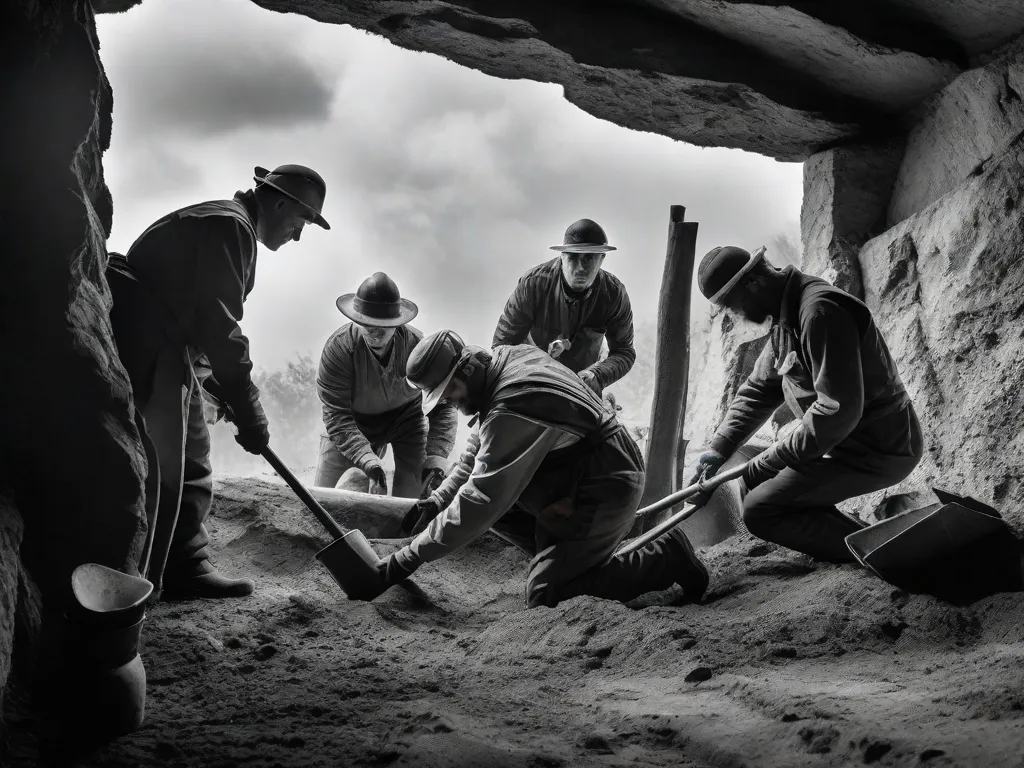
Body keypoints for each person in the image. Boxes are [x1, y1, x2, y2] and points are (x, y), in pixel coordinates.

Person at [106, 163, 330, 600]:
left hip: (169, 349)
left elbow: (199, 320)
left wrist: (218, 389)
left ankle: (186, 566)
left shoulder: (229, 224)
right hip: (149, 351)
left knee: (193, 459)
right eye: (301, 222)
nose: (299, 235)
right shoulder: (228, 227)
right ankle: (138, 581)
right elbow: (220, 328)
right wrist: (250, 409)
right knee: (165, 469)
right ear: (280, 202)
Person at [377, 330, 709, 608]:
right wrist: (438, 501)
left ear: (466, 370)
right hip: (581, 475)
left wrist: (406, 558)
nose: (451, 404)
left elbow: (481, 498)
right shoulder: (508, 358)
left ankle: (664, 556)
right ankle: (569, 559)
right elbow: (476, 457)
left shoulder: (512, 406)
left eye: (449, 393)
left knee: (546, 594)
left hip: (607, 480)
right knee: (503, 513)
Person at [689, 245, 924, 563]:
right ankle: (852, 534)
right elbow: (758, 390)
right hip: (848, 443)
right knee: (754, 481)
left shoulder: (819, 312)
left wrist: (772, 458)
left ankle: (886, 556)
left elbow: (834, 412)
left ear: (753, 283)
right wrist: (717, 451)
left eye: (732, 305)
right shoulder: (786, 318)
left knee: (760, 511)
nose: (735, 315)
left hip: (883, 447)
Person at [314, 272, 457, 498]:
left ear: (398, 323)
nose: (373, 331)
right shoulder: (338, 349)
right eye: (366, 323)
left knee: (415, 495)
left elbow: (444, 401)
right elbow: (335, 414)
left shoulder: (418, 346)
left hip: (407, 420)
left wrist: (437, 454)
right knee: (322, 497)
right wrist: (366, 458)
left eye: (382, 324)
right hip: (351, 420)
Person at [492, 218, 635, 396]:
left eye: (589, 258)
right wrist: (536, 368)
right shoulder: (533, 285)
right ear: (562, 256)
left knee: (604, 422)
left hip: (584, 388)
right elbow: (502, 344)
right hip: (531, 380)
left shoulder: (614, 294)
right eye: (573, 257)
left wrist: (597, 375)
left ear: (602, 259)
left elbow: (624, 352)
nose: (580, 267)